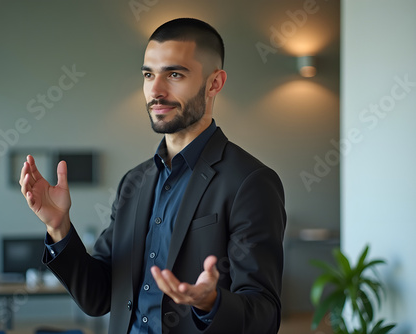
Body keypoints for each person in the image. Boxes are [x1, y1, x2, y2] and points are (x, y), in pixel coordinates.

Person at [20, 18, 286, 334]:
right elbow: (99, 298)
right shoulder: (134, 181)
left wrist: (211, 303)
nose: (155, 91)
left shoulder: (250, 182)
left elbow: (264, 315)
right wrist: (59, 227)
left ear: (214, 83)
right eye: (149, 75)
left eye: (174, 74)